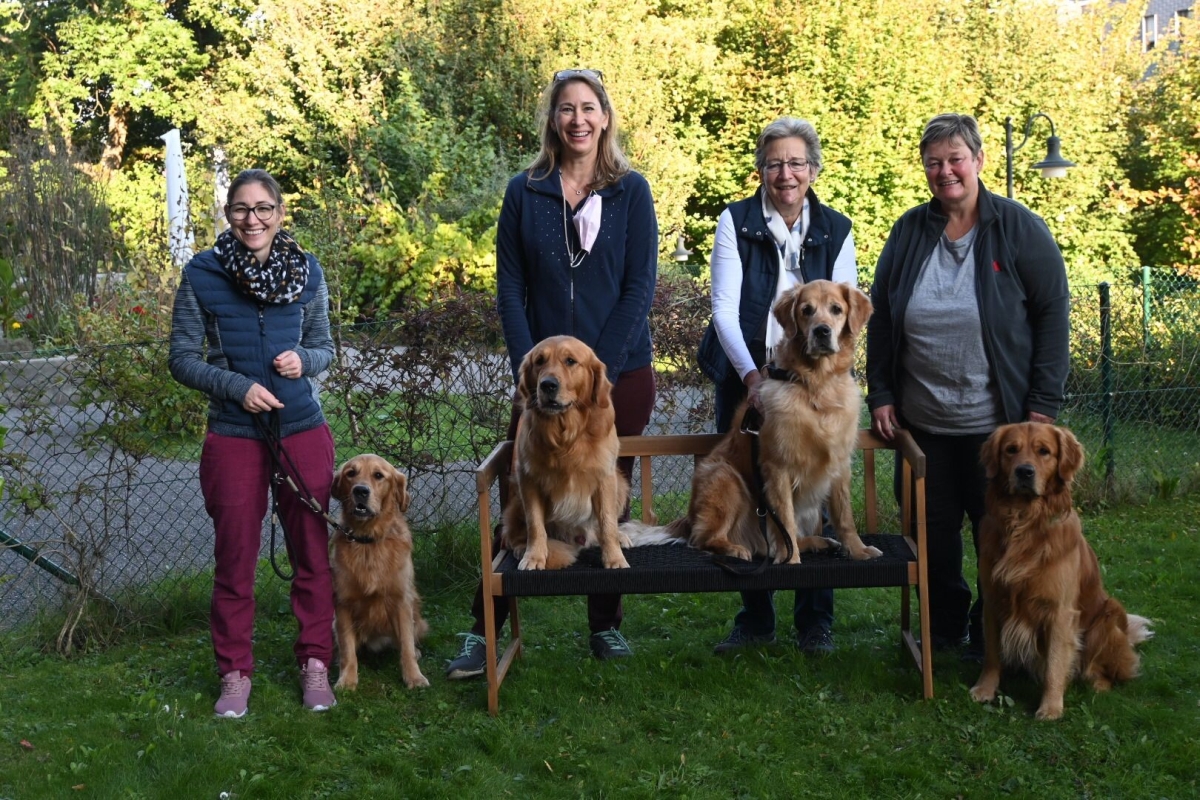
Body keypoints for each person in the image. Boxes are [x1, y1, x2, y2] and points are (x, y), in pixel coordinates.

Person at [445, 68, 658, 678]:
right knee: (518, 490)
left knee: (605, 497)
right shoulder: (525, 190)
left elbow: (639, 286)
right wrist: (532, 367)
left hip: (618, 376)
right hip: (539, 383)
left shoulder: (631, 191)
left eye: (589, 107)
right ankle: (483, 630)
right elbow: (509, 287)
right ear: (553, 120)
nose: (578, 119)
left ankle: (605, 628)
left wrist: (596, 373)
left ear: (606, 117)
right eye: (566, 109)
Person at [865, 113, 1070, 661]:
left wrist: (1042, 406)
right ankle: (944, 626)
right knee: (929, 534)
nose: (945, 171)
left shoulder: (1018, 228)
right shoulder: (910, 229)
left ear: (978, 160)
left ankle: (992, 632)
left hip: (999, 428)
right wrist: (880, 392)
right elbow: (881, 315)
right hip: (922, 420)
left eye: (955, 158)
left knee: (1000, 531)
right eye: (934, 162)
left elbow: (1053, 314)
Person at [169, 169, 338, 717]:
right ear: (228, 215)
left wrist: (302, 362)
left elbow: (324, 348)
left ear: (280, 213)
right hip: (233, 433)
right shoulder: (202, 274)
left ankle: (315, 661)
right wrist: (237, 387)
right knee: (235, 559)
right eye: (241, 209)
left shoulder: (308, 272)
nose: (252, 219)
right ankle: (235, 673)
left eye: (263, 208)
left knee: (312, 552)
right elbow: (183, 358)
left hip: (301, 428)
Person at [696, 117, 858, 656]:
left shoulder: (835, 226)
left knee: (820, 480)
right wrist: (753, 380)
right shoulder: (735, 221)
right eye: (774, 163)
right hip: (749, 375)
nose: (785, 174)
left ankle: (816, 621)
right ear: (760, 171)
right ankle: (756, 617)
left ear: (812, 170)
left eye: (796, 163)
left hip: (816, 376)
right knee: (752, 479)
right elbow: (723, 308)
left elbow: (845, 310)